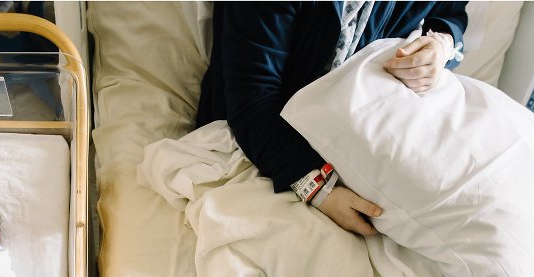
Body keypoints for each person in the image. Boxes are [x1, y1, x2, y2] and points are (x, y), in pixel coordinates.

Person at [196, 2, 468, 236]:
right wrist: (317, 187)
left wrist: (440, 45)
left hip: (362, 131)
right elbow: (251, 99)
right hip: (260, 139)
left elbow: (449, 15)